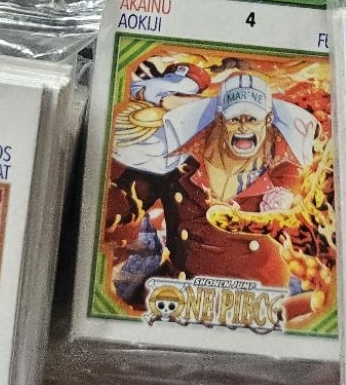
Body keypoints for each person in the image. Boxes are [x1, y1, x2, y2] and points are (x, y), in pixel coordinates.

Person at [107, 72, 317, 295]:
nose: (243, 127)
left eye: (252, 119)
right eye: (235, 118)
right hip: (179, 293)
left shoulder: (291, 172)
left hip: (262, 301)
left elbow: (314, 237)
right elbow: (121, 202)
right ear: (219, 119)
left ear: (267, 120)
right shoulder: (177, 161)